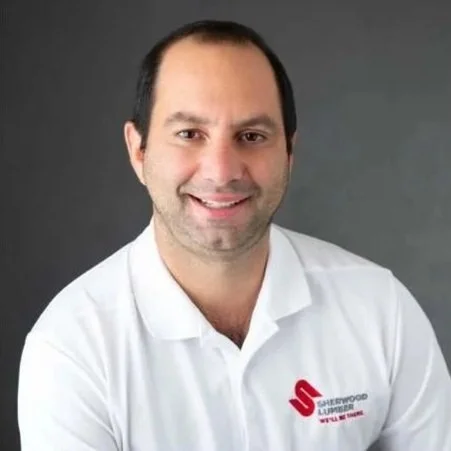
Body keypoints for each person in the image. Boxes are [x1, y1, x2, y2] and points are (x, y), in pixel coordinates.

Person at [18, 20, 451, 451]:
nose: (222, 171)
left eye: (251, 136)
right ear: (138, 150)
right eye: (190, 134)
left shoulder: (380, 309)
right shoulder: (73, 346)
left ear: (289, 153)